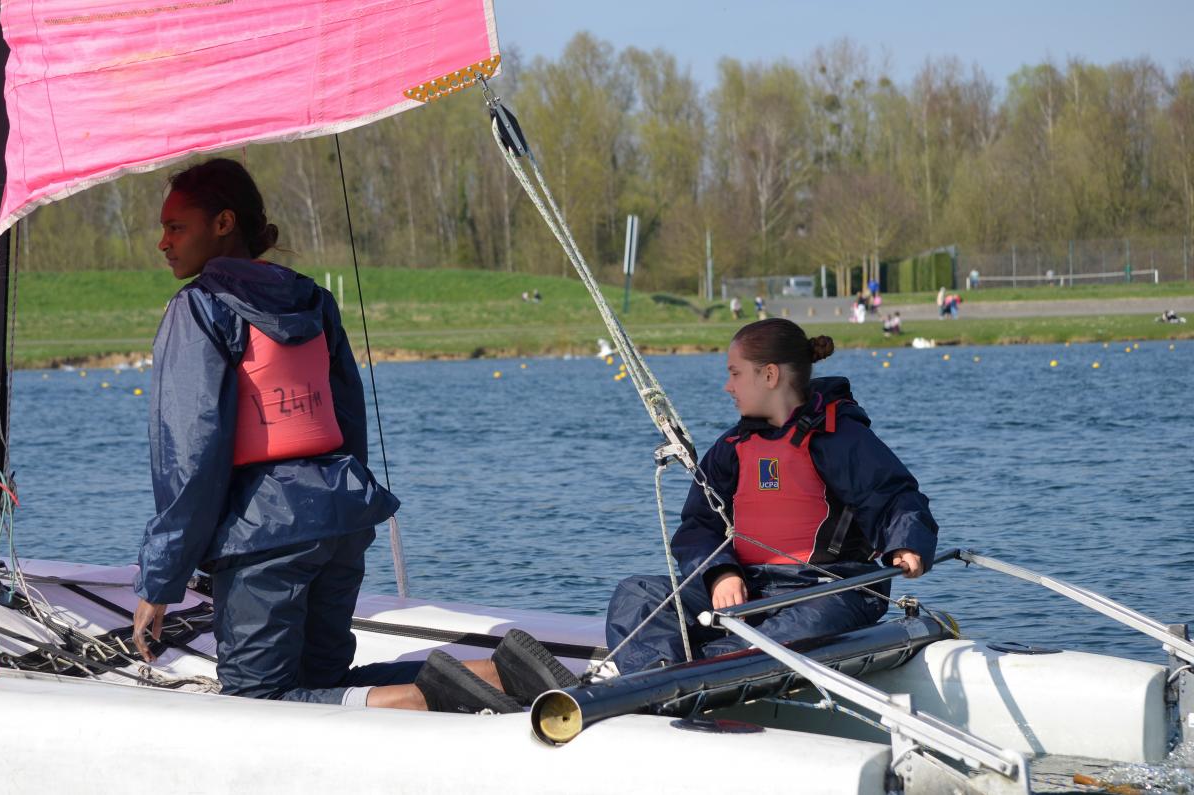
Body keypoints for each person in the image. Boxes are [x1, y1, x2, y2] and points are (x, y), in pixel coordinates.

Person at [131, 158, 574, 712]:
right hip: (340, 517)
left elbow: (190, 455)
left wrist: (160, 581)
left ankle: (434, 700)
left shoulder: (199, 307)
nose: (163, 242)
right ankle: (503, 673)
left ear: (223, 223)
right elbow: (347, 418)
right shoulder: (314, 299)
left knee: (257, 700)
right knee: (325, 679)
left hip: (265, 534)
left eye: (176, 227)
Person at [605, 319, 938, 674]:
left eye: (735, 374)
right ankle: (657, 676)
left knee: (788, 633)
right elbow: (699, 525)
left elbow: (894, 496)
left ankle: (698, 671)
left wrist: (907, 543)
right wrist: (721, 574)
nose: (727, 386)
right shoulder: (731, 447)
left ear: (769, 375)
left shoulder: (840, 438)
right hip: (750, 587)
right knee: (637, 594)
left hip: (829, 592)